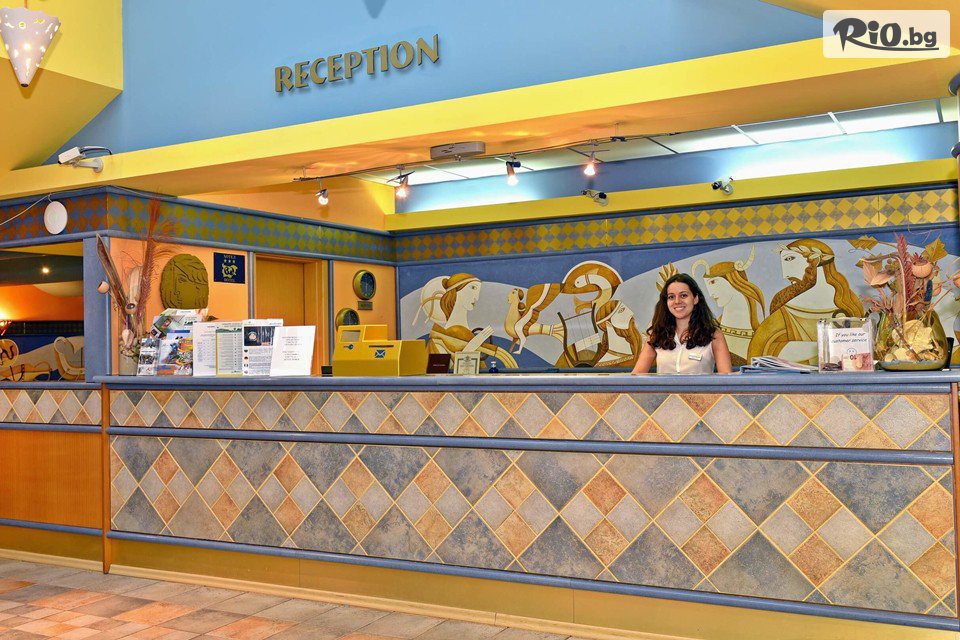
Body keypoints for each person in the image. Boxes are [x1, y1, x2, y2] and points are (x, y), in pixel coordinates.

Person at [631, 273, 732, 374]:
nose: (677, 301)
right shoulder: (656, 335)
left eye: (683, 295)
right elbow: (636, 376)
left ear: (695, 298)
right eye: (671, 297)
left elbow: (726, 379)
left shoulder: (714, 335)